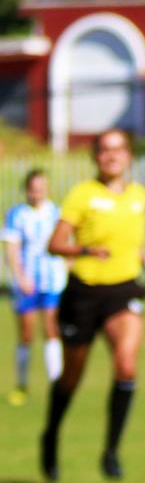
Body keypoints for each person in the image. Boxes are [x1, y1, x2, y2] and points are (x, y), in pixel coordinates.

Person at [40, 129, 145, 482]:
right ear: (95, 157)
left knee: (127, 366)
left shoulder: (139, 196)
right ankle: (51, 435)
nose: (111, 156)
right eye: (104, 150)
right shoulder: (82, 195)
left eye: (118, 150)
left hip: (124, 291)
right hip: (84, 292)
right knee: (72, 377)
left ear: (129, 155)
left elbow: (135, 244)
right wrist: (85, 250)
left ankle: (112, 450)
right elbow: (54, 244)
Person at [5, 169, 66, 408]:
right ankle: (21, 384)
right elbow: (12, 249)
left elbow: (65, 245)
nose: (38, 191)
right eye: (34, 186)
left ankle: (57, 384)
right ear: (27, 188)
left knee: (52, 329)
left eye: (42, 186)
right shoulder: (17, 214)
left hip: (53, 280)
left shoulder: (56, 213)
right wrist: (20, 277)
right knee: (27, 333)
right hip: (27, 282)